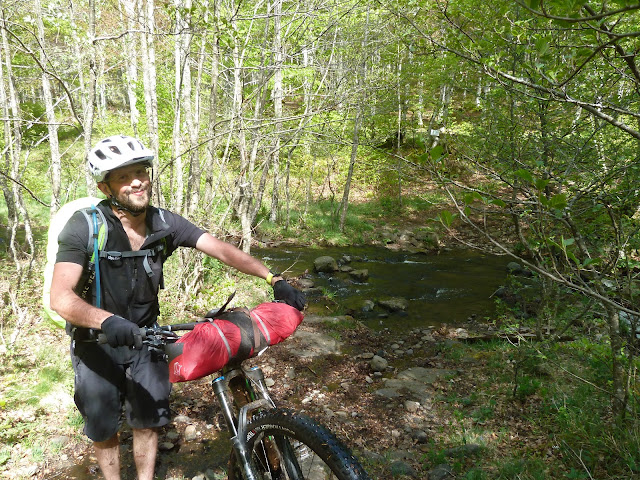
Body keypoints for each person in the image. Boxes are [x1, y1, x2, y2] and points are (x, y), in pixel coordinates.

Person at [49, 135, 305, 480]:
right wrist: (106, 321)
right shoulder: (85, 227)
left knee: (149, 418)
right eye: (124, 177)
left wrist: (273, 278)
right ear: (105, 186)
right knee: (103, 424)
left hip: (146, 337)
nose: (137, 181)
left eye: (141, 172)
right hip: (97, 343)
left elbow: (221, 249)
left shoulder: (165, 224)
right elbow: (61, 296)